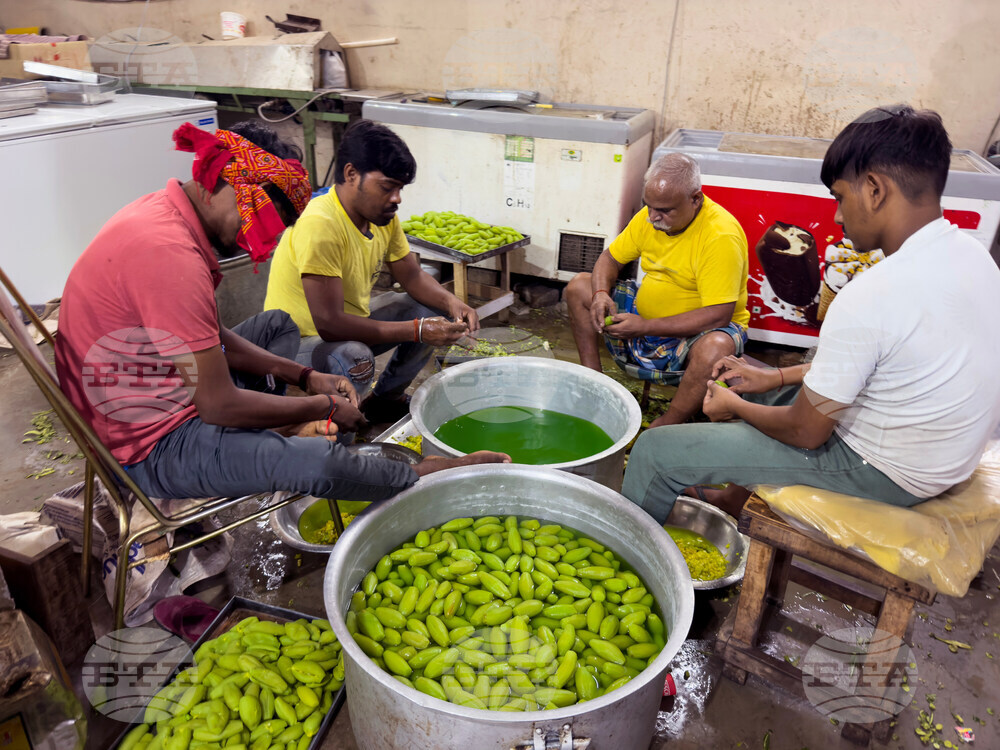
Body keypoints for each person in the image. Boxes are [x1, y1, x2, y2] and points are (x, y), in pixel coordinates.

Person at [55, 121, 508, 503]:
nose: (265, 240)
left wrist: (303, 377)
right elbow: (215, 404)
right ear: (226, 180)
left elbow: (209, 334)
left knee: (276, 326)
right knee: (314, 461)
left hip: (154, 384)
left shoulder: (161, 215)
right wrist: (322, 405)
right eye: (262, 214)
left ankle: (290, 420)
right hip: (145, 442)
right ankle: (422, 474)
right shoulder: (169, 255)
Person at [622, 105, 1000, 524]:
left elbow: (806, 431)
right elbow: (890, 361)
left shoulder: (871, 294)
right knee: (760, 375)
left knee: (657, 451)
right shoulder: (974, 258)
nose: (837, 216)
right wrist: (775, 377)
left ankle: (636, 566)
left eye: (840, 196)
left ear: (875, 189)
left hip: (884, 472)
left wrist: (734, 407)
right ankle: (730, 501)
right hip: (942, 457)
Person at [264, 120, 478, 424]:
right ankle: (339, 434)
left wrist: (452, 303)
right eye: (387, 187)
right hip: (296, 345)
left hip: (343, 327)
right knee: (354, 358)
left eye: (400, 189)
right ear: (352, 174)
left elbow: (412, 276)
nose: (397, 198)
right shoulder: (320, 224)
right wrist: (417, 330)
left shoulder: (381, 217)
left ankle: (385, 400)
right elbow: (330, 325)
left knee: (429, 308)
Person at [565, 152, 750, 427]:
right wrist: (600, 294)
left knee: (716, 346)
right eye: (648, 206)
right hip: (645, 323)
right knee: (579, 286)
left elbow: (718, 315)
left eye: (665, 210)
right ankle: (594, 383)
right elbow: (610, 259)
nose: (653, 216)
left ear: (695, 199)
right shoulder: (649, 216)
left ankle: (669, 421)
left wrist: (645, 326)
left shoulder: (720, 236)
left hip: (695, 335)